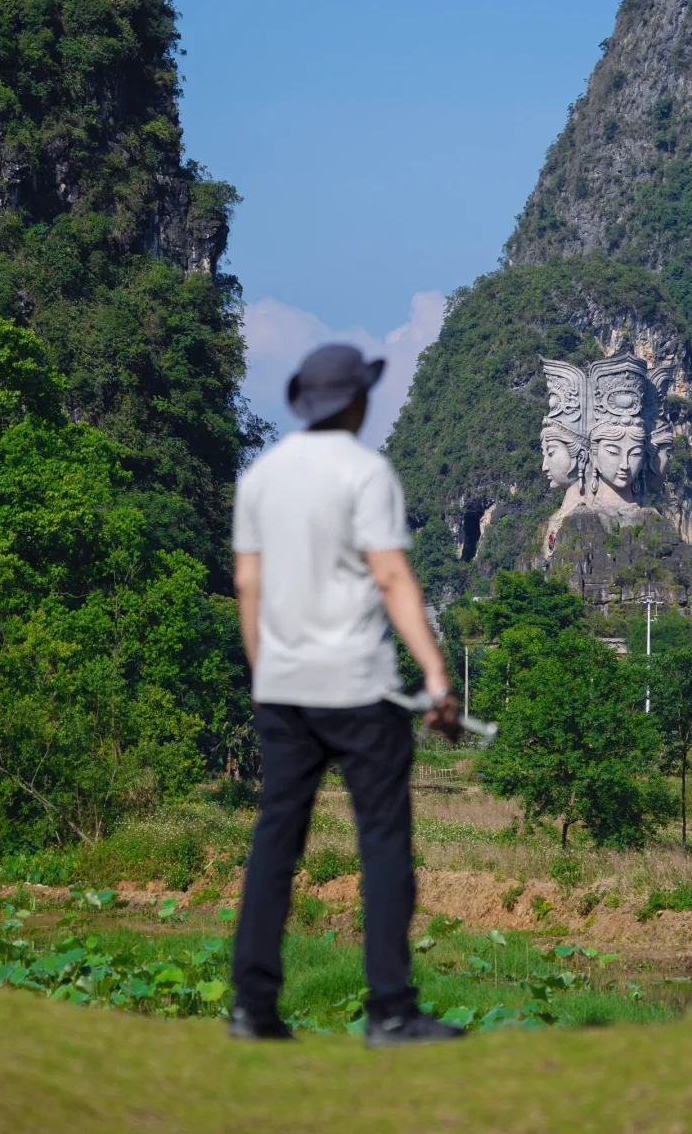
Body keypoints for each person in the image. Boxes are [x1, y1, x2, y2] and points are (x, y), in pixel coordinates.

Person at [228, 343, 464, 1046]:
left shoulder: (261, 476)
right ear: (356, 402)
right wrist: (437, 678)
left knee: (276, 840)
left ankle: (252, 1006)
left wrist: (265, 670)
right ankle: (391, 1009)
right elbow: (391, 578)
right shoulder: (366, 473)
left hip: (283, 690)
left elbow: (248, 585)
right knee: (383, 840)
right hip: (359, 688)